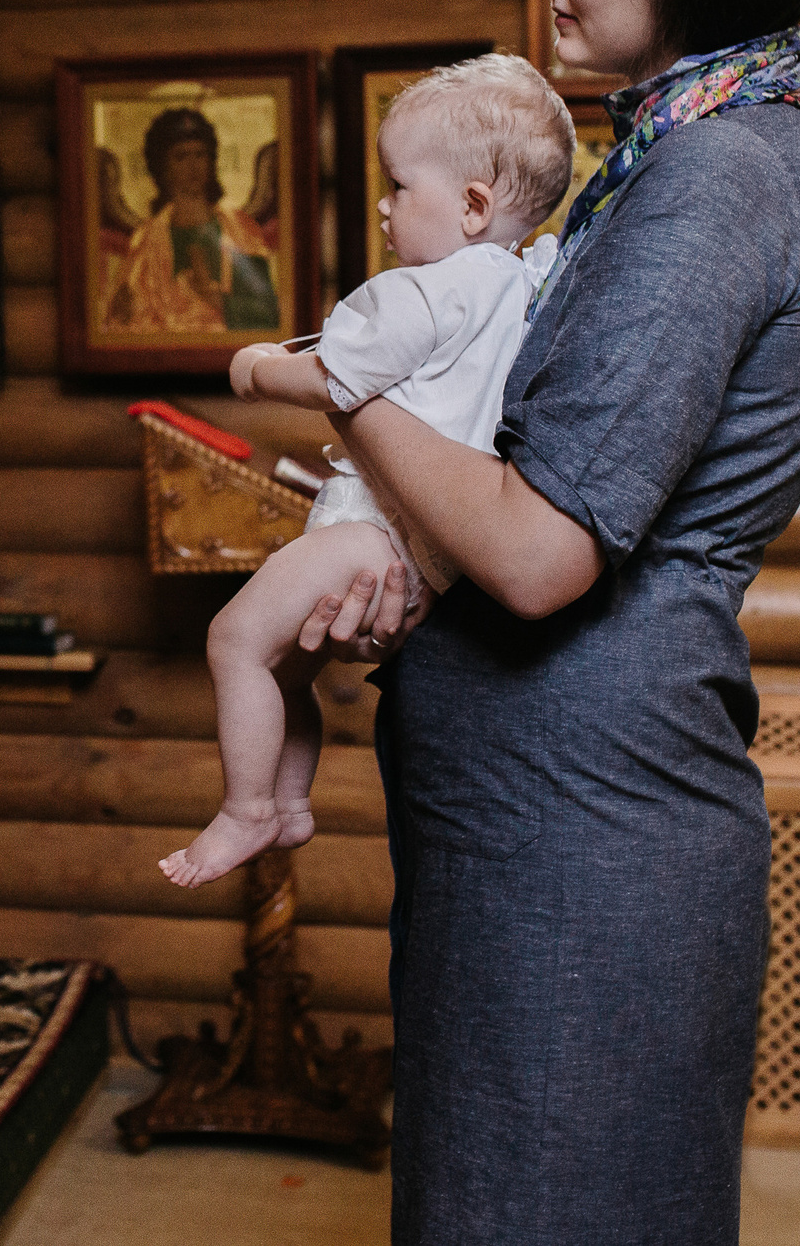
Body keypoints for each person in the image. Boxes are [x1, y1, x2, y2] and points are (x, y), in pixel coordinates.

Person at [292, 0, 800, 1243]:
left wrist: (346, 384)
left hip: (588, 840)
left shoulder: (724, 174)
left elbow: (543, 551)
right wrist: (394, 552)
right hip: (541, 815)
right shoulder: (682, 147)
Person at [160, 54, 572, 888]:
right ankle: (291, 803)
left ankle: (247, 810)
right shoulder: (526, 284)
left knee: (234, 641)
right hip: (445, 547)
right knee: (286, 666)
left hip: (370, 529)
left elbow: (330, 378)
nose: (384, 206)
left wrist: (254, 367)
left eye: (398, 185)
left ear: (472, 204)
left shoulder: (417, 294)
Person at [104, 106, 281, 332]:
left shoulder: (240, 230)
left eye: (200, 154)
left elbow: (269, 314)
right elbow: (123, 318)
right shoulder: (146, 239)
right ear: (163, 167)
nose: (193, 165)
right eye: (181, 157)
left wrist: (219, 302)